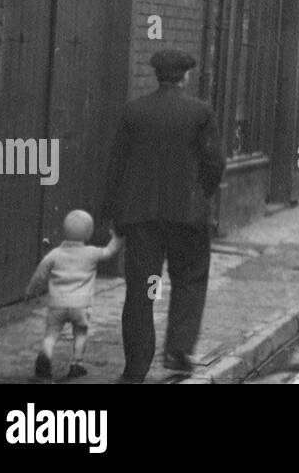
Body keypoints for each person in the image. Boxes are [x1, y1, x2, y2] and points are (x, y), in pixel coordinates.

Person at [101, 49, 225, 383]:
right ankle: (178, 349)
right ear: (185, 77)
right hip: (186, 217)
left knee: (142, 288)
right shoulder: (200, 112)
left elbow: (117, 164)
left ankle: (135, 368)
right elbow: (215, 162)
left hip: (142, 217)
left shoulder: (135, 111)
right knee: (188, 278)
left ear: (158, 76)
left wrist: (114, 213)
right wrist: (202, 196)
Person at [26, 209, 123, 381]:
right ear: (88, 233)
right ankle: (76, 364)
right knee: (80, 332)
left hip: (57, 304)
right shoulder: (91, 253)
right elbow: (109, 251)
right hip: (81, 305)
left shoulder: (54, 254)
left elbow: (39, 275)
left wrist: (30, 291)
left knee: (51, 334)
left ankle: (44, 360)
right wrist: (116, 237)